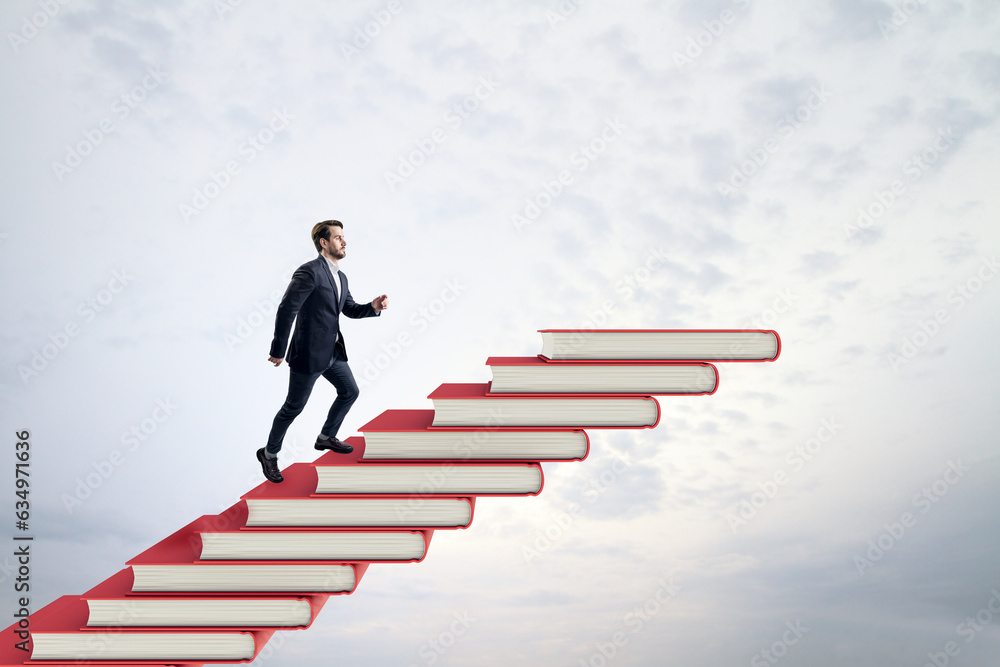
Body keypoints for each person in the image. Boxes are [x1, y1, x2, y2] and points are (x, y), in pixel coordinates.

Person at [257, 220, 388, 483]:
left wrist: (372, 307)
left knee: (350, 391)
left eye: (344, 237)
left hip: (333, 353)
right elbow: (287, 309)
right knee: (293, 408)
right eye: (338, 237)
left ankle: (326, 437)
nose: (344, 242)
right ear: (324, 243)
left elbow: (348, 309)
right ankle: (269, 454)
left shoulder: (341, 277)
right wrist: (279, 349)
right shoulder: (309, 272)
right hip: (307, 355)